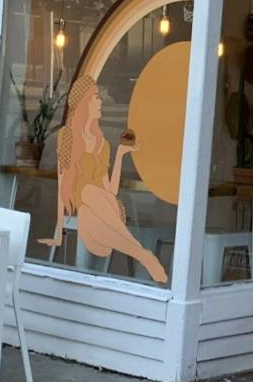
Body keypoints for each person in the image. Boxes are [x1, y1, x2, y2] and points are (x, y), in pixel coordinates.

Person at [42, 74, 168, 286]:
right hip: (83, 211)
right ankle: (143, 255)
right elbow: (63, 179)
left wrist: (119, 154)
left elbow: (110, 191)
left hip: (103, 211)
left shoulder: (104, 144)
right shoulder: (67, 137)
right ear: (84, 103)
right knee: (87, 196)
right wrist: (59, 231)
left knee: (91, 199)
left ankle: (142, 256)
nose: (101, 102)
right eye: (96, 98)